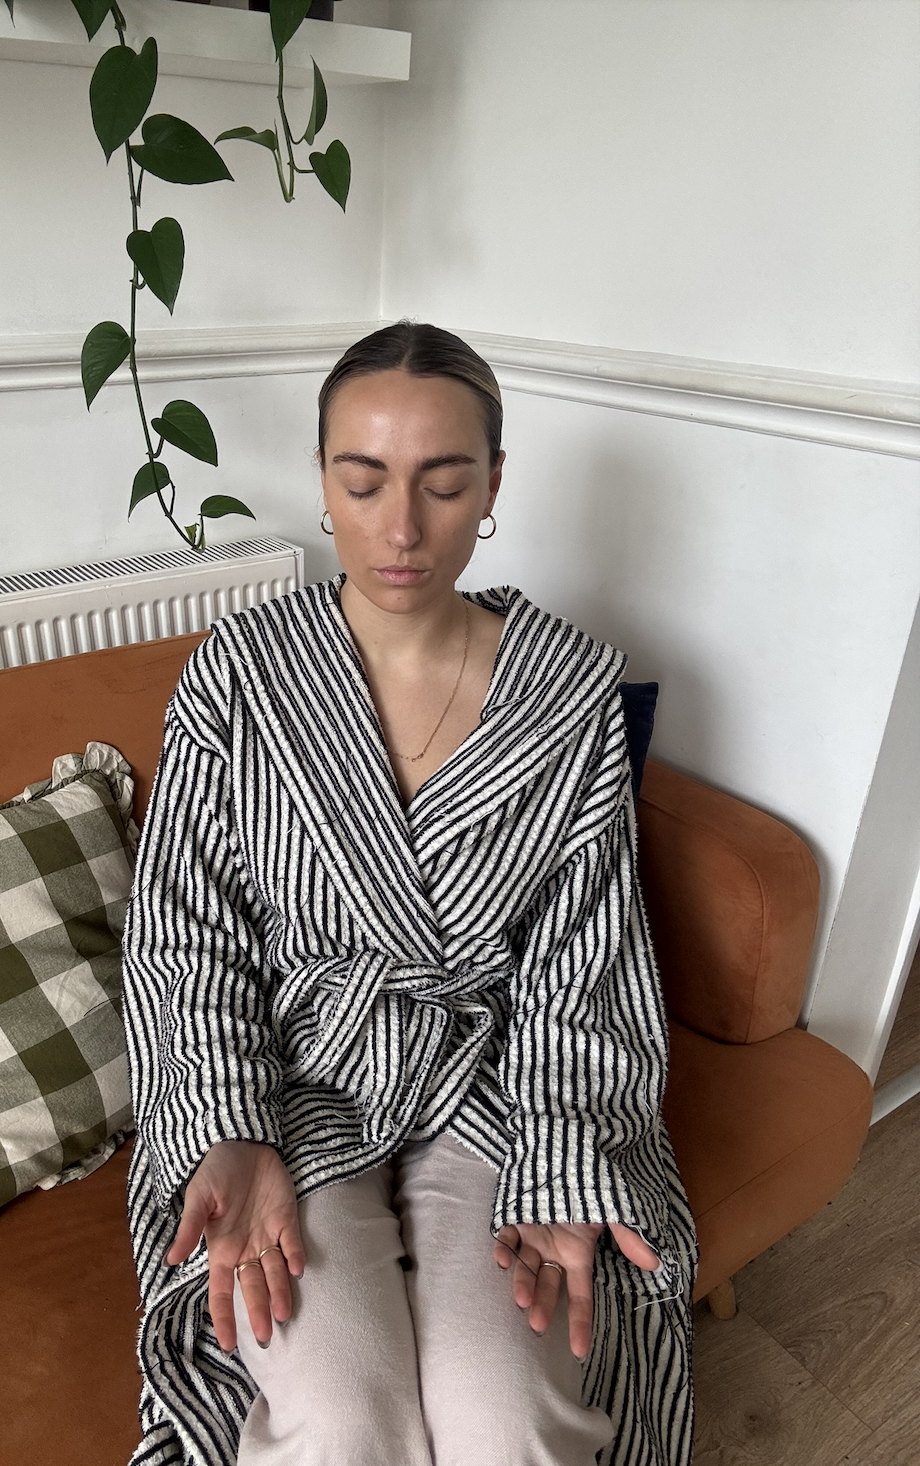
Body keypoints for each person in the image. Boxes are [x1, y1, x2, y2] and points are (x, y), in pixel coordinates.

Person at [121, 322, 697, 1466]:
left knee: (506, 1415)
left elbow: (588, 954)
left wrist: (565, 1158)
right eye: (363, 478)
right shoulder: (240, 673)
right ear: (320, 476)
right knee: (340, 1417)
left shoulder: (570, 685)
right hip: (294, 1080)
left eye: (443, 481)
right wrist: (228, 1127)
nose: (399, 527)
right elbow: (186, 931)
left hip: (503, 1087)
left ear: (492, 484)